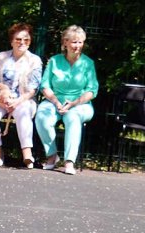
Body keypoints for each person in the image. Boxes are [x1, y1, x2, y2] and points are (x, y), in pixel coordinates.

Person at [35, 25, 98, 176]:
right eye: (74, 42)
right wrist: (56, 102)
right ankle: (52, 156)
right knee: (42, 116)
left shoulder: (88, 63)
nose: (77, 46)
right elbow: (45, 86)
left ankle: (69, 162)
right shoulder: (54, 61)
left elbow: (92, 90)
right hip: (54, 100)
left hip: (80, 104)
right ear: (65, 43)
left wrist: (74, 103)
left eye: (80, 42)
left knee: (72, 117)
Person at [0, 22, 42, 168]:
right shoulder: (1, 57)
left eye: (26, 40)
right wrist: (3, 88)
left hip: (23, 99)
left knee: (23, 111)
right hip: (0, 98)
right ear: (11, 41)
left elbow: (33, 89)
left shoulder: (35, 60)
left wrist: (17, 102)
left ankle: (27, 154)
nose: (22, 42)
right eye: (18, 39)